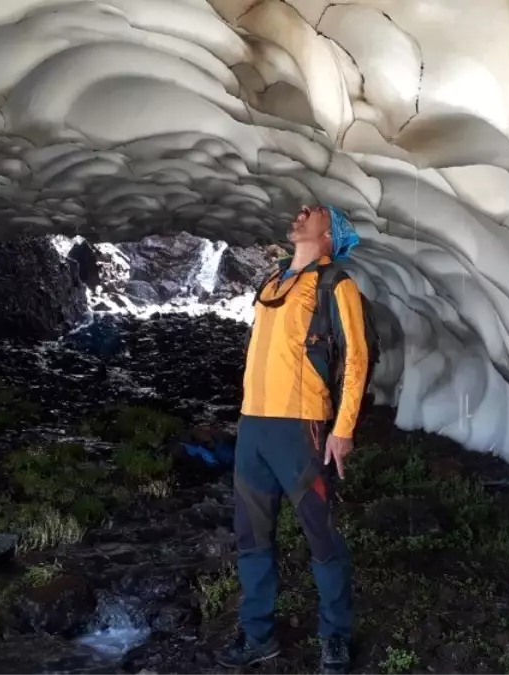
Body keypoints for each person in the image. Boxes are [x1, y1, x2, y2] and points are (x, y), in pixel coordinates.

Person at [217, 204, 369, 674]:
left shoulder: (335, 285)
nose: (301, 213)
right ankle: (259, 635)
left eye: (315, 211)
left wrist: (342, 430)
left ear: (329, 237)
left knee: (321, 536)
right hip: (254, 426)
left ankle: (335, 637)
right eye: (302, 209)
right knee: (251, 535)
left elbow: (357, 359)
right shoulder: (272, 282)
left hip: (301, 428)